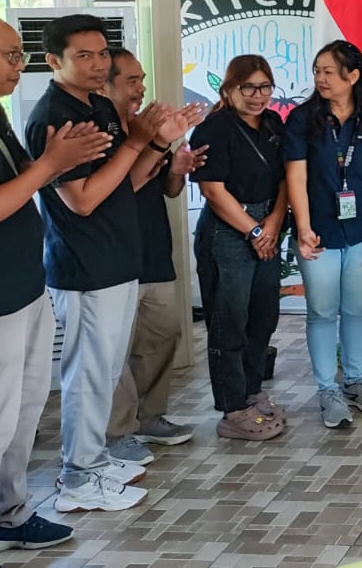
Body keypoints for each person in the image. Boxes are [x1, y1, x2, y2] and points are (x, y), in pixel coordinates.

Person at [0, 16, 113, 565]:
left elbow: (23, 173)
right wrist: (52, 165)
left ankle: (8, 515)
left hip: (23, 285)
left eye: (21, 55)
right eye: (11, 55)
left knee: (21, 413)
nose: (20, 66)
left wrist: (57, 158)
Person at [24, 14, 197, 513]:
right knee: (88, 374)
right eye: (84, 55)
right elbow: (81, 200)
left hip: (121, 259)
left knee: (105, 371)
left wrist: (160, 141)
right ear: (53, 60)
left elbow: (129, 182)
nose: (98, 64)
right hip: (86, 266)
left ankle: (95, 459)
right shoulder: (56, 115)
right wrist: (140, 141)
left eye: (102, 53)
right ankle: (78, 476)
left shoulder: (97, 105)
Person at [284, 41, 362, 428]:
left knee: (355, 309)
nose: (320, 78)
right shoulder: (302, 119)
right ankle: (327, 390)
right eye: (317, 71)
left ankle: (355, 380)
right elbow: (296, 177)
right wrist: (303, 227)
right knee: (321, 311)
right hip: (317, 232)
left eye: (329, 72)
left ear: (353, 76)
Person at [103, 48, 206, 465]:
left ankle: (151, 418)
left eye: (142, 79)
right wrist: (156, 142)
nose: (141, 88)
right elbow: (116, 190)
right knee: (115, 351)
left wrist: (177, 167)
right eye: (131, 80)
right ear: (104, 83)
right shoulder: (100, 131)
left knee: (161, 338)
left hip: (155, 254)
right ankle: (117, 431)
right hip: (112, 259)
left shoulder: (146, 128)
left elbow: (168, 190)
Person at [190, 55, 291, 442]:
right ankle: (232, 410)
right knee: (228, 321)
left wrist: (274, 222)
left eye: (264, 87)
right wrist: (254, 231)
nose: (257, 95)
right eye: (247, 87)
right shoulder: (213, 128)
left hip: (267, 224)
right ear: (229, 89)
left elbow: (284, 179)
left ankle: (252, 394)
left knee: (263, 315)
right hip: (229, 232)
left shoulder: (273, 123)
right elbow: (213, 191)